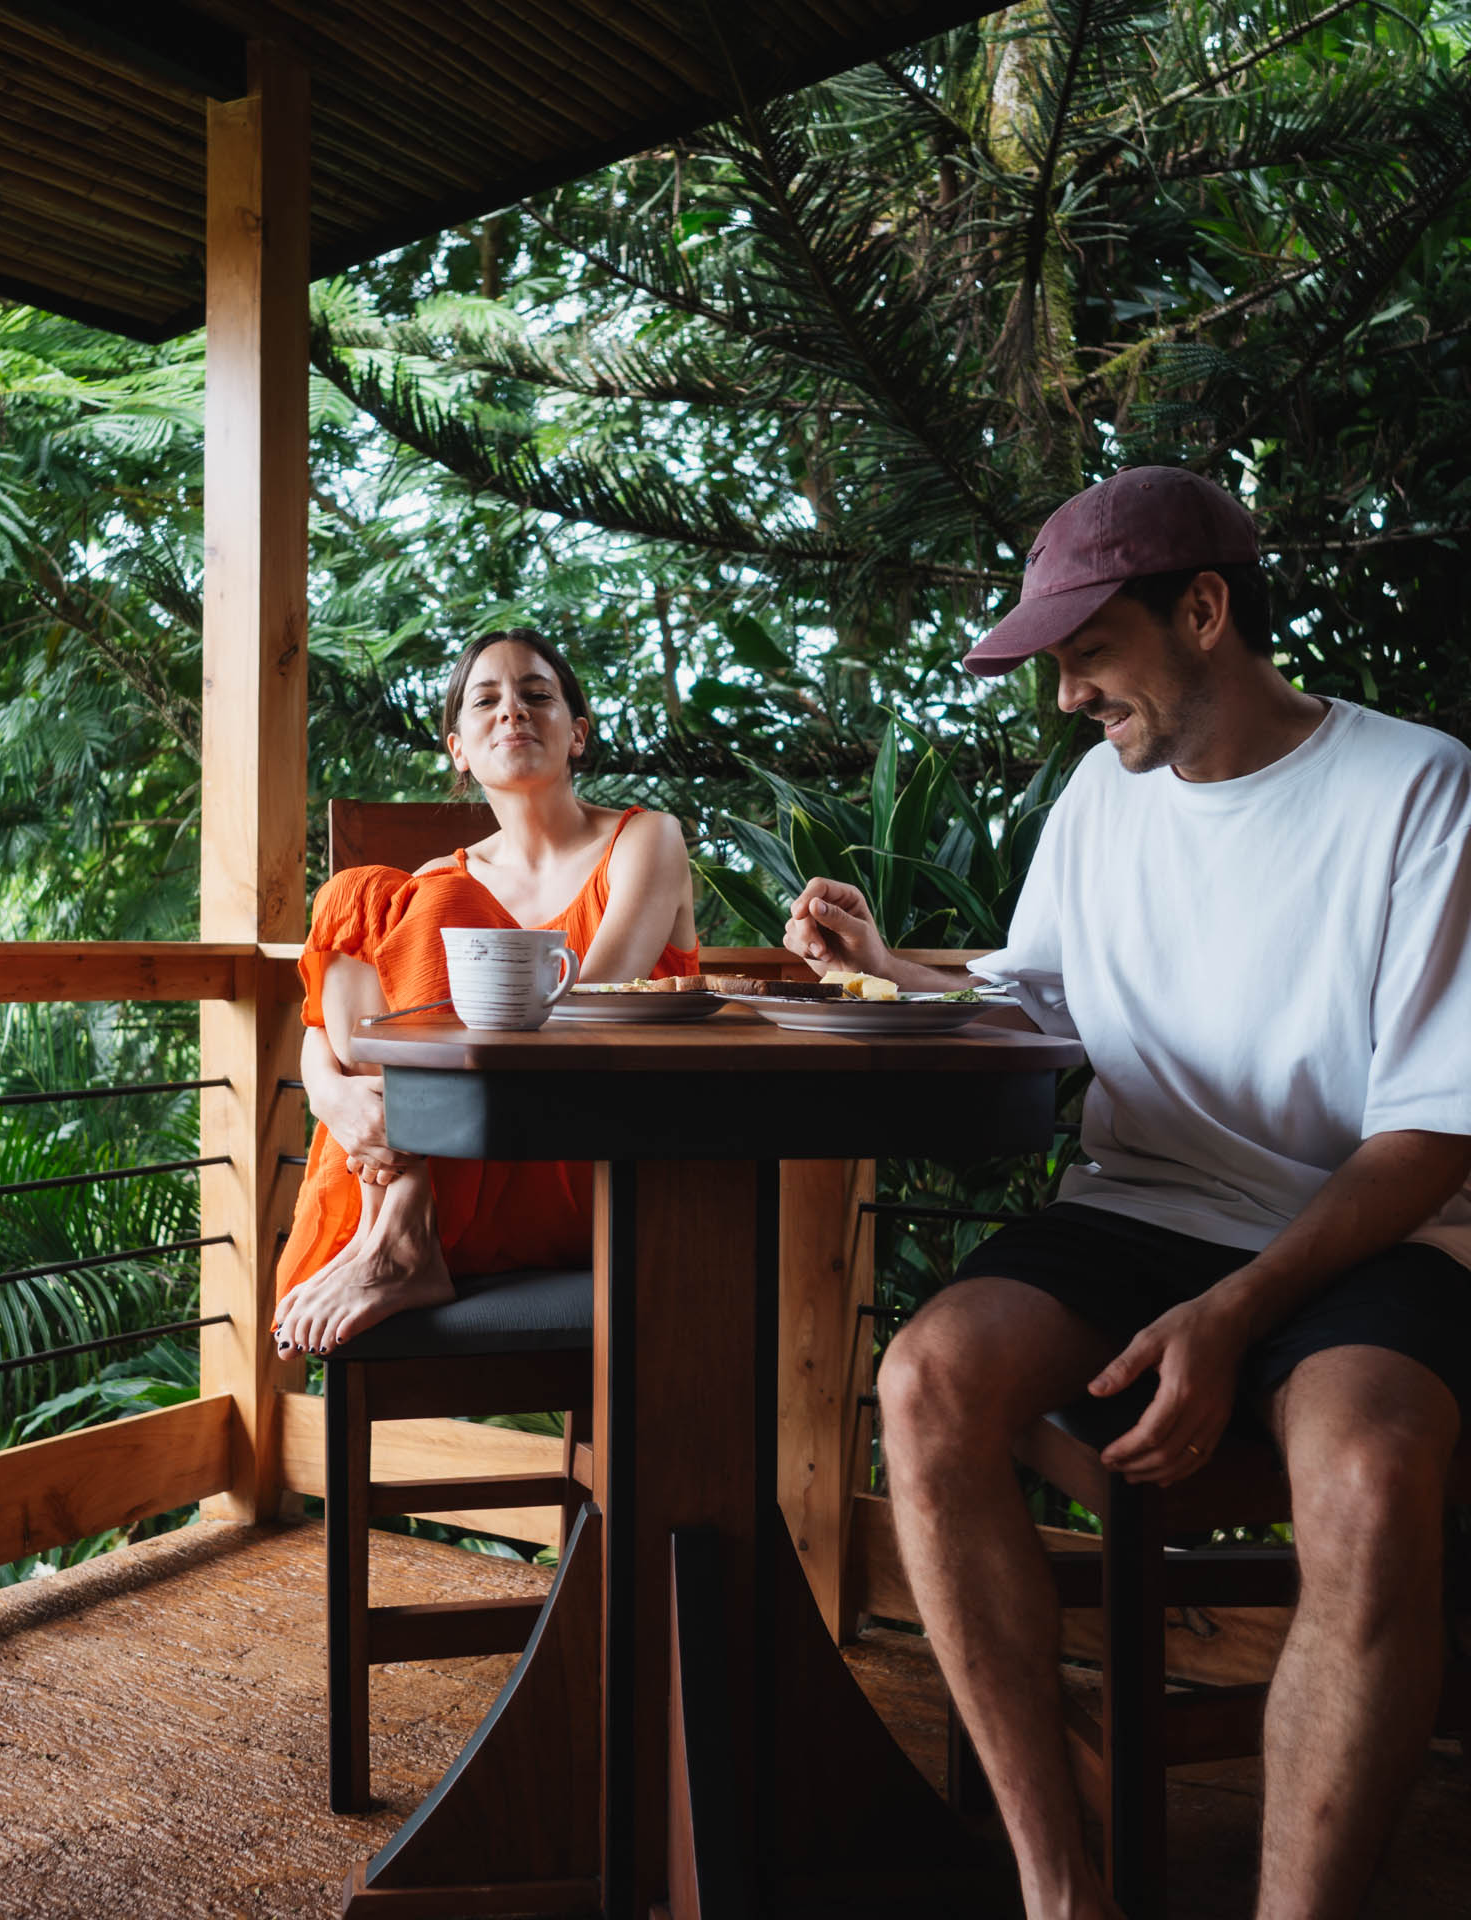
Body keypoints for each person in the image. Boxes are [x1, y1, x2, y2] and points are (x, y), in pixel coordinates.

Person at [783, 466, 1471, 1920]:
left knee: (1373, 1471)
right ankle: (1061, 1894)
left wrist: (1231, 1318)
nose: (1065, 698)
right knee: (926, 1382)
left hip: (1367, 1224)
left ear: (1204, 611)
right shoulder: (1105, 797)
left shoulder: (1418, 788)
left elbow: (1429, 1133)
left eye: (1088, 653)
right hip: (1144, 1202)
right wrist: (893, 967)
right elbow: (1043, 1001)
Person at [274, 628, 698, 1358]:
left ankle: (402, 1233)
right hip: (455, 1169)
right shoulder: (448, 873)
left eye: (538, 696)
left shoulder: (646, 840)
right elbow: (328, 1028)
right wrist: (330, 1097)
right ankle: (395, 1233)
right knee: (356, 892)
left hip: (589, 1155)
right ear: (459, 750)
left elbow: (580, 1010)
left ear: (578, 736)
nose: (514, 712)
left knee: (441, 906)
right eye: (487, 701)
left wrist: (404, 1115)